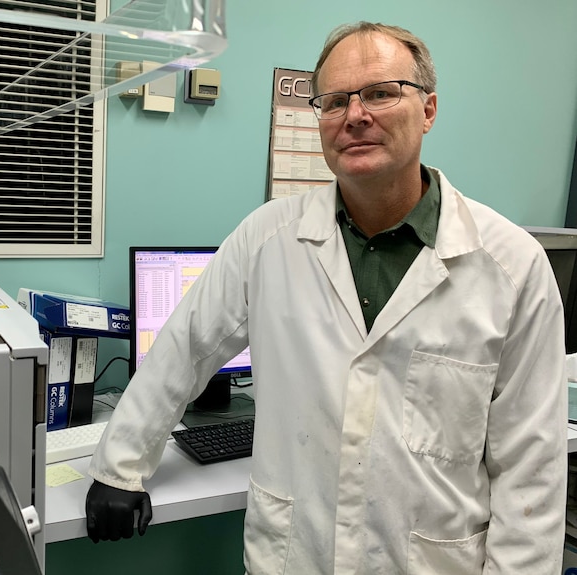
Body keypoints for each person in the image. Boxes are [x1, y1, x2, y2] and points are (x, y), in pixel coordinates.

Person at [86, 21, 567, 574]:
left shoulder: (511, 267)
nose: (355, 115)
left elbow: (532, 468)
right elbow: (184, 346)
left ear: (429, 110)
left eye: (382, 93)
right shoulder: (267, 239)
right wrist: (120, 464)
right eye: (334, 101)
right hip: (294, 556)